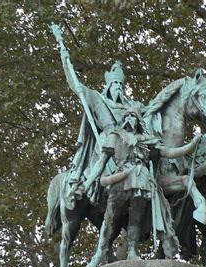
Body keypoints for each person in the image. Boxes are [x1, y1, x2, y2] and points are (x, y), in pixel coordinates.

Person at [83, 107, 201, 267]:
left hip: (142, 181)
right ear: (123, 119)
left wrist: (192, 145)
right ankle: (99, 253)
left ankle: (132, 251)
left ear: (139, 121)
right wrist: (88, 182)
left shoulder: (148, 140)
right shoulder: (115, 137)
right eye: (128, 116)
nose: (130, 118)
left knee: (135, 220)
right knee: (110, 217)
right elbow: (101, 162)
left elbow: (169, 152)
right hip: (120, 179)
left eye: (134, 116)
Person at [50, 22, 143, 207]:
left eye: (121, 85)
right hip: (107, 139)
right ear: (109, 86)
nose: (119, 88)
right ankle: (84, 185)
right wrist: (64, 58)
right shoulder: (97, 98)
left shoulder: (133, 105)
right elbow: (76, 87)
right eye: (115, 84)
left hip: (131, 143)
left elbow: (147, 116)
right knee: (103, 155)